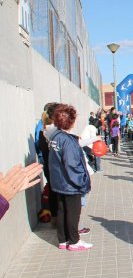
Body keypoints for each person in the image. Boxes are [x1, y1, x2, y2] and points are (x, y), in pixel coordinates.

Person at [48, 104, 93, 251]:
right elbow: (72, 165)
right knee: (73, 213)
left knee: (62, 211)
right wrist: (82, 182)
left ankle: (63, 240)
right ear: (72, 121)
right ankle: (74, 241)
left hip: (59, 182)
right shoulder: (68, 141)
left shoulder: (55, 136)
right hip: (70, 184)